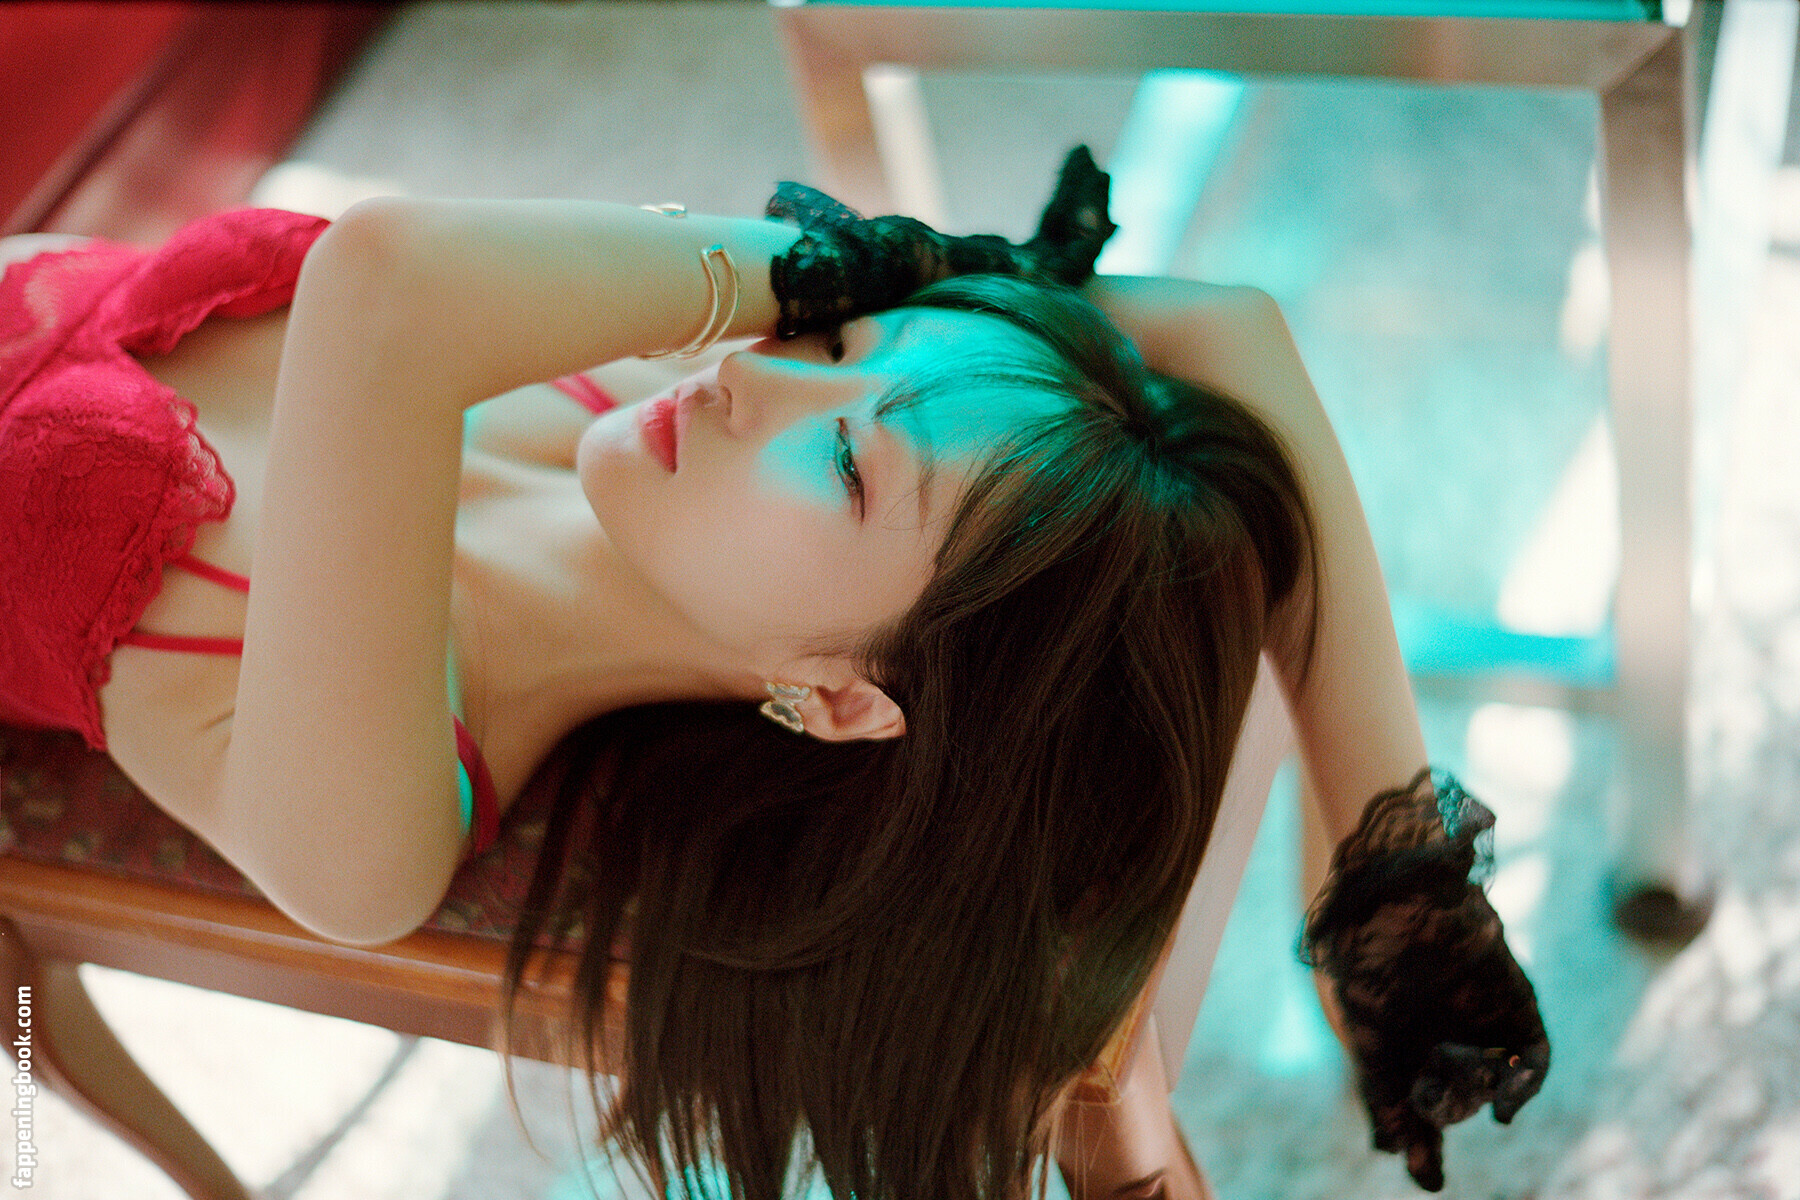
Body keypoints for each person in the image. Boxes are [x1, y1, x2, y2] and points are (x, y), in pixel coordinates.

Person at [0, 149, 1545, 1200]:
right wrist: (1390, 864)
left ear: (842, 697)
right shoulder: (635, 398)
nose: (754, 368)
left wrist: (852, 272)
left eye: (852, 464)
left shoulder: (374, 835)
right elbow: (1227, 332)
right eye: (845, 344)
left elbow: (387, 275)